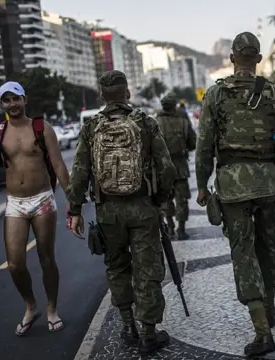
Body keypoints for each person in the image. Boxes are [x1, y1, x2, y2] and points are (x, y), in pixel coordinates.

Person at [195, 32, 275, 357]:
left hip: (232, 185)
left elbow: (204, 147)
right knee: (268, 242)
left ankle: (261, 330)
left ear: (231, 58)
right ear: (258, 59)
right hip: (267, 183)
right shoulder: (274, 93)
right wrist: (267, 153)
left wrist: (202, 184)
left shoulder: (215, 94)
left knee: (243, 251)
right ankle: (270, 308)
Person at [68, 70, 177, 354]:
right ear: (127, 92)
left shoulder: (91, 127)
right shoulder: (144, 123)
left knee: (117, 267)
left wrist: (75, 209)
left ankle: (128, 326)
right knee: (147, 270)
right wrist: (162, 200)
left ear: (102, 96)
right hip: (142, 208)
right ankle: (149, 333)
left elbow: (79, 172)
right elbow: (166, 167)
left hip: (108, 211)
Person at [0, 81, 71, 336]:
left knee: (46, 258)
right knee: (15, 264)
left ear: (25, 100)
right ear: (1, 104)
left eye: (16, 99)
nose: (12, 105)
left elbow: (59, 166)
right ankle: (31, 306)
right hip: (15, 203)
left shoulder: (42, 128)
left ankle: (52, 308)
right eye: (7, 100)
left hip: (42, 199)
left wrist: (73, 201)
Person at [157, 93, 197, 239]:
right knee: (182, 199)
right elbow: (193, 143)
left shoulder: (155, 123)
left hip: (162, 169)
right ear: (174, 106)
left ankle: (170, 227)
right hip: (180, 167)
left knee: (166, 199)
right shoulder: (183, 121)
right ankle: (181, 229)